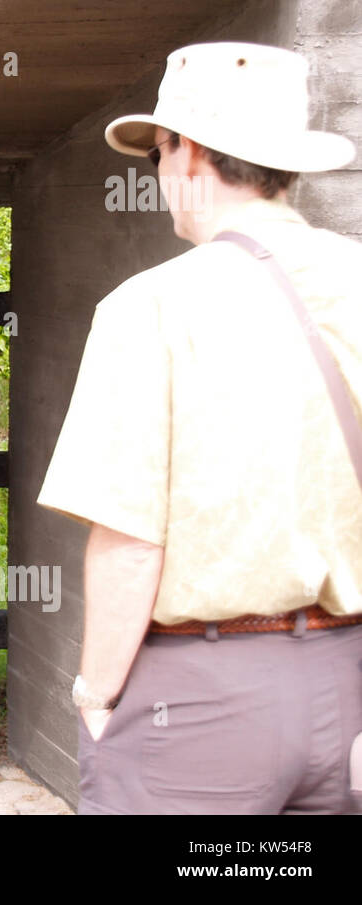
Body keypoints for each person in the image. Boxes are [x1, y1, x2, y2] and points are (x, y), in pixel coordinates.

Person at [37, 41, 362, 814]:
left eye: (158, 151)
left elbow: (129, 538)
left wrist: (95, 695)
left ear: (187, 154)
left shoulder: (149, 306)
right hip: (347, 685)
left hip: (205, 700)